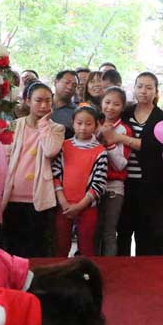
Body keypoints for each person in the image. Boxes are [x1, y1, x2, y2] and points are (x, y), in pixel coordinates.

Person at [104, 72, 163, 256]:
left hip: (151, 185)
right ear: (133, 89)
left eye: (149, 87)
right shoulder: (124, 114)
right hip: (124, 183)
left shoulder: (162, 119)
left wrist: (119, 137)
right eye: (140, 86)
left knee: (148, 235)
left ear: (156, 92)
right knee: (123, 232)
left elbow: (152, 146)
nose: (144, 91)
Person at [1, 82, 65, 258]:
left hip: (39, 198)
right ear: (27, 101)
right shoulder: (14, 125)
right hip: (12, 197)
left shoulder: (57, 128)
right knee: (12, 249)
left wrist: (44, 124)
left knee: (38, 250)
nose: (44, 105)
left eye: (48, 101)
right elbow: (4, 158)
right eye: (38, 100)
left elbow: (51, 150)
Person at [52, 105, 108, 258]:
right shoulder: (64, 146)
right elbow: (56, 174)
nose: (83, 127)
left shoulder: (100, 151)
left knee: (86, 245)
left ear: (96, 125)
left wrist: (80, 205)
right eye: (79, 123)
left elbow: (99, 183)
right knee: (61, 244)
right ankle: (60, 272)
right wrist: (63, 201)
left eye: (88, 124)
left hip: (88, 207)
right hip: (63, 205)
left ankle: (86, 276)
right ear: (73, 123)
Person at [97, 87, 131, 256]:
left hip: (113, 188)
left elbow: (120, 164)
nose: (110, 107)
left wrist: (109, 141)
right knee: (93, 231)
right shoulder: (93, 124)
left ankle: (109, 269)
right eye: (107, 102)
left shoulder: (123, 130)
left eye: (116, 104)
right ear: (101, 103)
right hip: (93, 186)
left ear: (123, 107)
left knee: (109, 233)